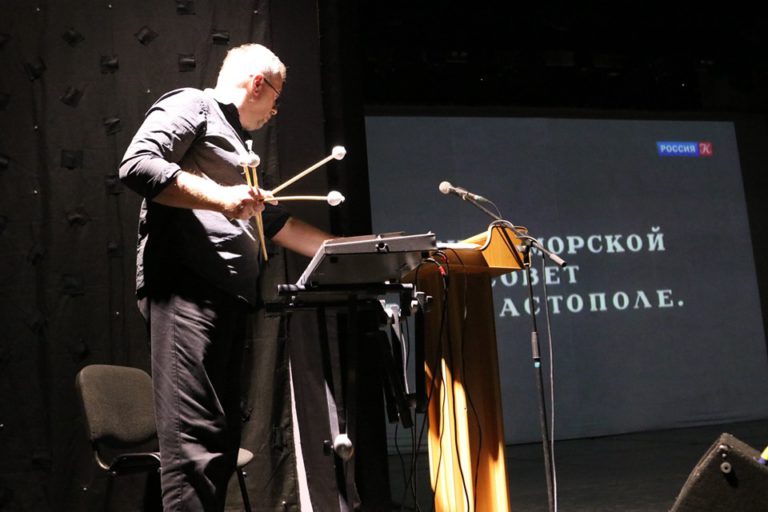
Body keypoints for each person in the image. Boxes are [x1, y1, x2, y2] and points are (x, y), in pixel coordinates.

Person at [119, 43, 330, 511]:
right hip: (186, 292)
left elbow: (276, 225)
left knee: (218, 441)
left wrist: (359, 250)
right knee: (193, 445)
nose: (275, 110)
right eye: (276, 97)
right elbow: (138, 164)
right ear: (258, 83)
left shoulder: (236, 145)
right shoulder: (193, 104)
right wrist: (223, 198)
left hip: (225, 300)